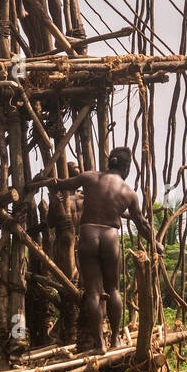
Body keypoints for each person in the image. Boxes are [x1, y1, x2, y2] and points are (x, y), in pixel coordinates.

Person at [44, 147, 160, 351]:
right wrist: (155, 243)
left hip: (88, 234)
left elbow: (60, 185)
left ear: (110, 162)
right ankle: (115, 339)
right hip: (110, 235)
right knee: (113, 289)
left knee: (93, 292)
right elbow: (141, 223)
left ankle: (100, 344)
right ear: (124, 166)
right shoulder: (128, 192)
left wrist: (47, 183)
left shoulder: (90, 177)